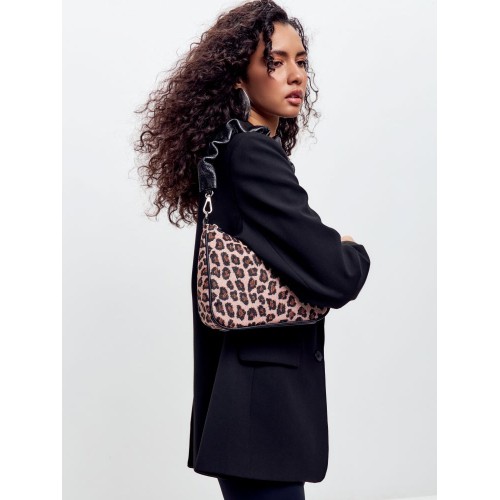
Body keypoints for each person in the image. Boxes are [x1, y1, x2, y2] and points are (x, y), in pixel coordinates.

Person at [134, 1, 371, 498]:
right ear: (239, 77)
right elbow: (336, 273)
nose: (295, 75)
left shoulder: (226, 150)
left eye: (301, 62)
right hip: (263, 418)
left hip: (243, 413)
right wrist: (351, 249)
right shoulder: (251, 153)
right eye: (275, 61)